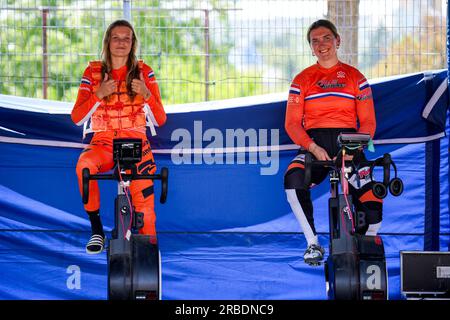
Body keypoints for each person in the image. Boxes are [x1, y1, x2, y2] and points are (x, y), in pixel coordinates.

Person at [284, 19, 381, 266]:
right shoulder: (301, 79)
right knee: (293, 180)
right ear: (310, 47)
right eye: (315, 41)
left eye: (326, 38)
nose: (321, 44)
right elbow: (292, 124)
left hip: (349, 142)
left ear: (338, 41)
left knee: (373, 205)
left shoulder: (356, 77)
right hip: (314, 142)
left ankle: (364, 246)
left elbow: (368, 122)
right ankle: (313, 244)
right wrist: (313, 148)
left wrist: (354, 148)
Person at [71, 20, 167, 254]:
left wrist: (146, 94)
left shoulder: (145, 72)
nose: (121, 42)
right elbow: (76, 117)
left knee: (146, 209)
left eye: (127, 38)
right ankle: (96, 230)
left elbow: (161, 119)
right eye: (116, 37)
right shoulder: (92, 72)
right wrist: (98, 94)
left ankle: (148, 260)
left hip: (137, 144)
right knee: (84, 165)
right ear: (107, 41)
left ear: (133, 43)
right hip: (103, 143)